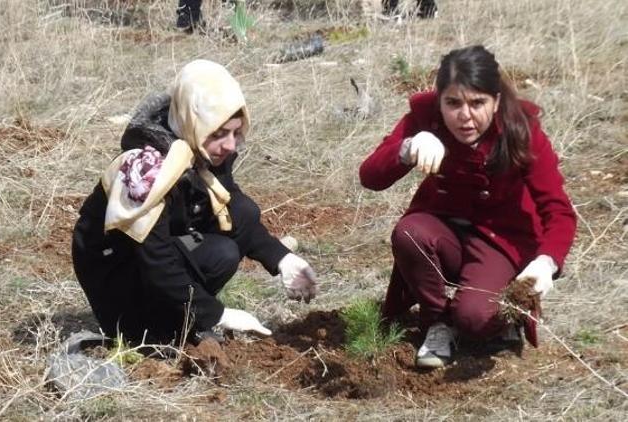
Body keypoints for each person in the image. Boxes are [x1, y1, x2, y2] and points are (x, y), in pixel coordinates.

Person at [72, 59, 317, 348]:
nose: (229, 145)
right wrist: (218, 314)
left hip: (160, 249)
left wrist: (281, 258)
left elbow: (232, 209)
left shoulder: (200, 148)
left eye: (236, 132)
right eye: (219, 134)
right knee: (217, 253)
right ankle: (151, 331)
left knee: (230, 235)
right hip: (119, 273)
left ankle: (179, 318)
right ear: (194, 123)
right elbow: (155, 257)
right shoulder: (148, 168)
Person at [359, 45, 576, 369]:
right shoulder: (426, 119)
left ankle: (498, 314)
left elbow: (558, 210)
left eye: (477, 103)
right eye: (453, 103)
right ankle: (436, 323)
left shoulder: (520, 129)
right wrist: (407, 148)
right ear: (440, 100)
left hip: (500, 239)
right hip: (443, 230)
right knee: (410, 233)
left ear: (496, 101)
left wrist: (546, 263)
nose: (465, 116)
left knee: (474, 320)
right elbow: (370, 177)